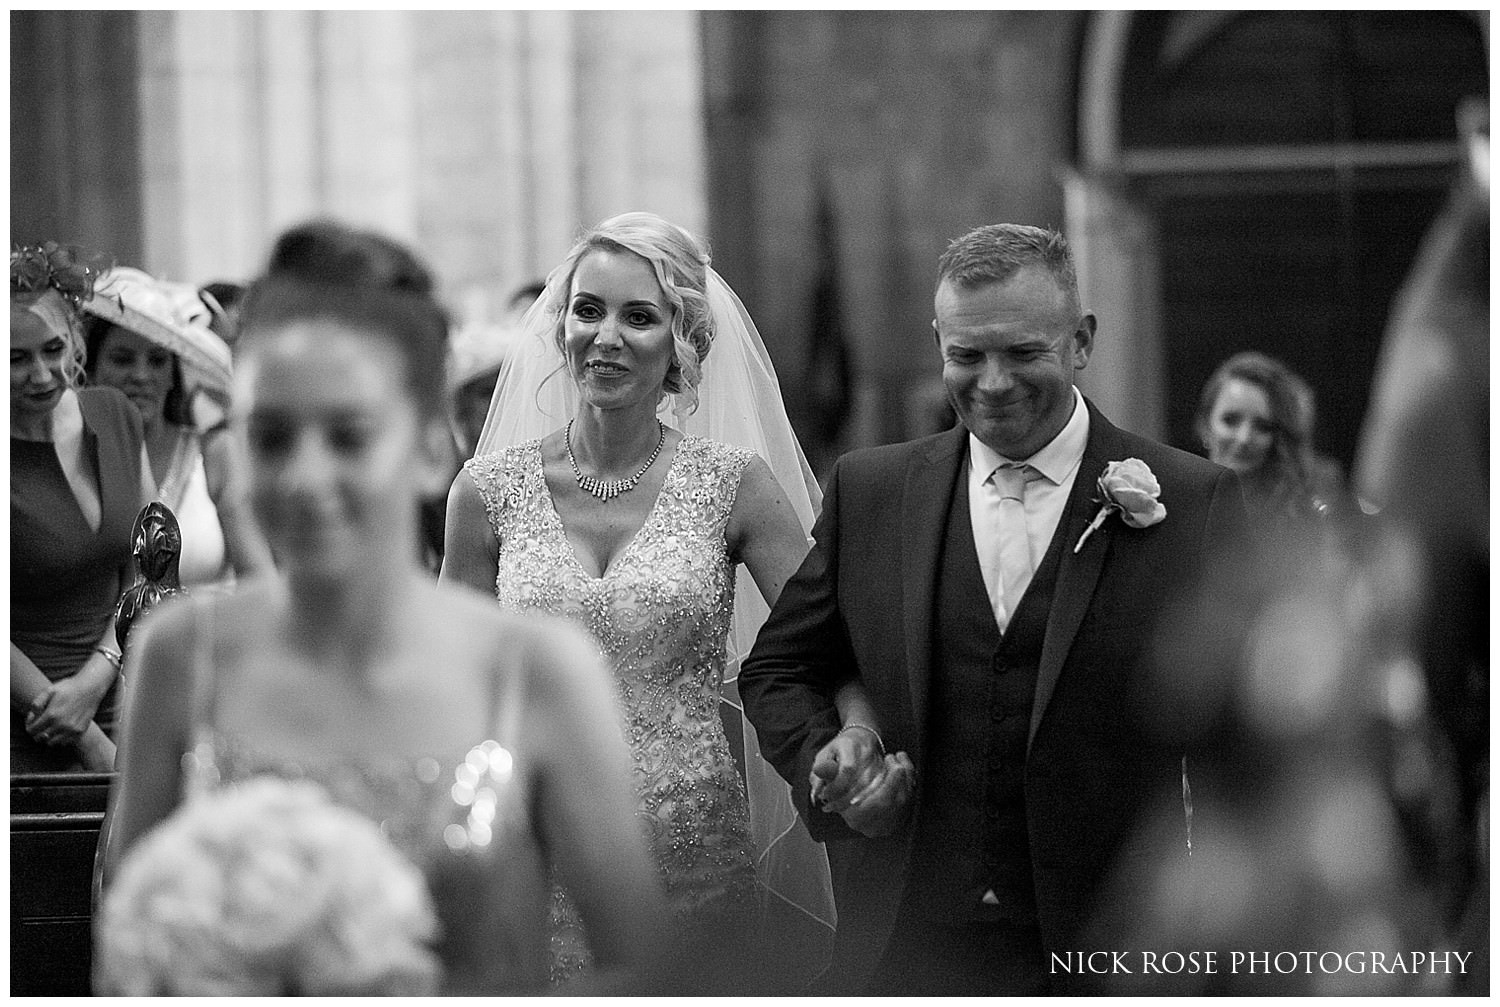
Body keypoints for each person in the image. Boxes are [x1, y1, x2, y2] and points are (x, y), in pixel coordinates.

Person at [102, 219, 667, 994]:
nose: (303, 476)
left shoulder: (537, 673)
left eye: (348, 435)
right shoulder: (181, 655)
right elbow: (133, 945)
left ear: (433, 447)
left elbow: (638, 966)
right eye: (270, 437)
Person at [738, 222, 1251, 994]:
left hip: (1112, 946)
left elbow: (1241, 738)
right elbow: (779, 665)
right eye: (967, 355)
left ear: (1081, 340)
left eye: (1023, 353)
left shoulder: (1191, 501)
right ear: (939, 342)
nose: (994, 381)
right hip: (904, 945)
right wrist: (835, 766)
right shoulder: (872, 490)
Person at [442, 211, 858, 990]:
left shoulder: (733, 484)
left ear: (682, 339)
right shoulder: (485, 493)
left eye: (640, 316)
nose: (606, 336)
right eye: (588, 309)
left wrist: (854, 737)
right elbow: (451, 683)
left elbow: (828, 640)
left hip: (691, 849)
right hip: (535, 844)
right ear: (559, 324)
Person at [11, 243, 153, 773]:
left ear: (75, 338)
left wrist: (99, 675)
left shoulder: (114, 413)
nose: (43, 375)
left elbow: (149, 562)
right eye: (16, 359)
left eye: (53, 349)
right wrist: (82, 733)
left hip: (124, 696)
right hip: (25, 725)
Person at [83, 266, 273, 592]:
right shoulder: (73, 452)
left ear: (174, 375)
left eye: (157, 361)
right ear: (91, 368)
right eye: (123, 359)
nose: (141, 376)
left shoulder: (214, 451)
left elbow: (260, 580)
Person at [1194, 350, 1346, 530]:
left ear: (1280, 438)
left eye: (1262, 426)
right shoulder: (1173, 504)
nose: (1244, 438)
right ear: (1205, 424)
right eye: (1231, 420)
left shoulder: (1309, 516)